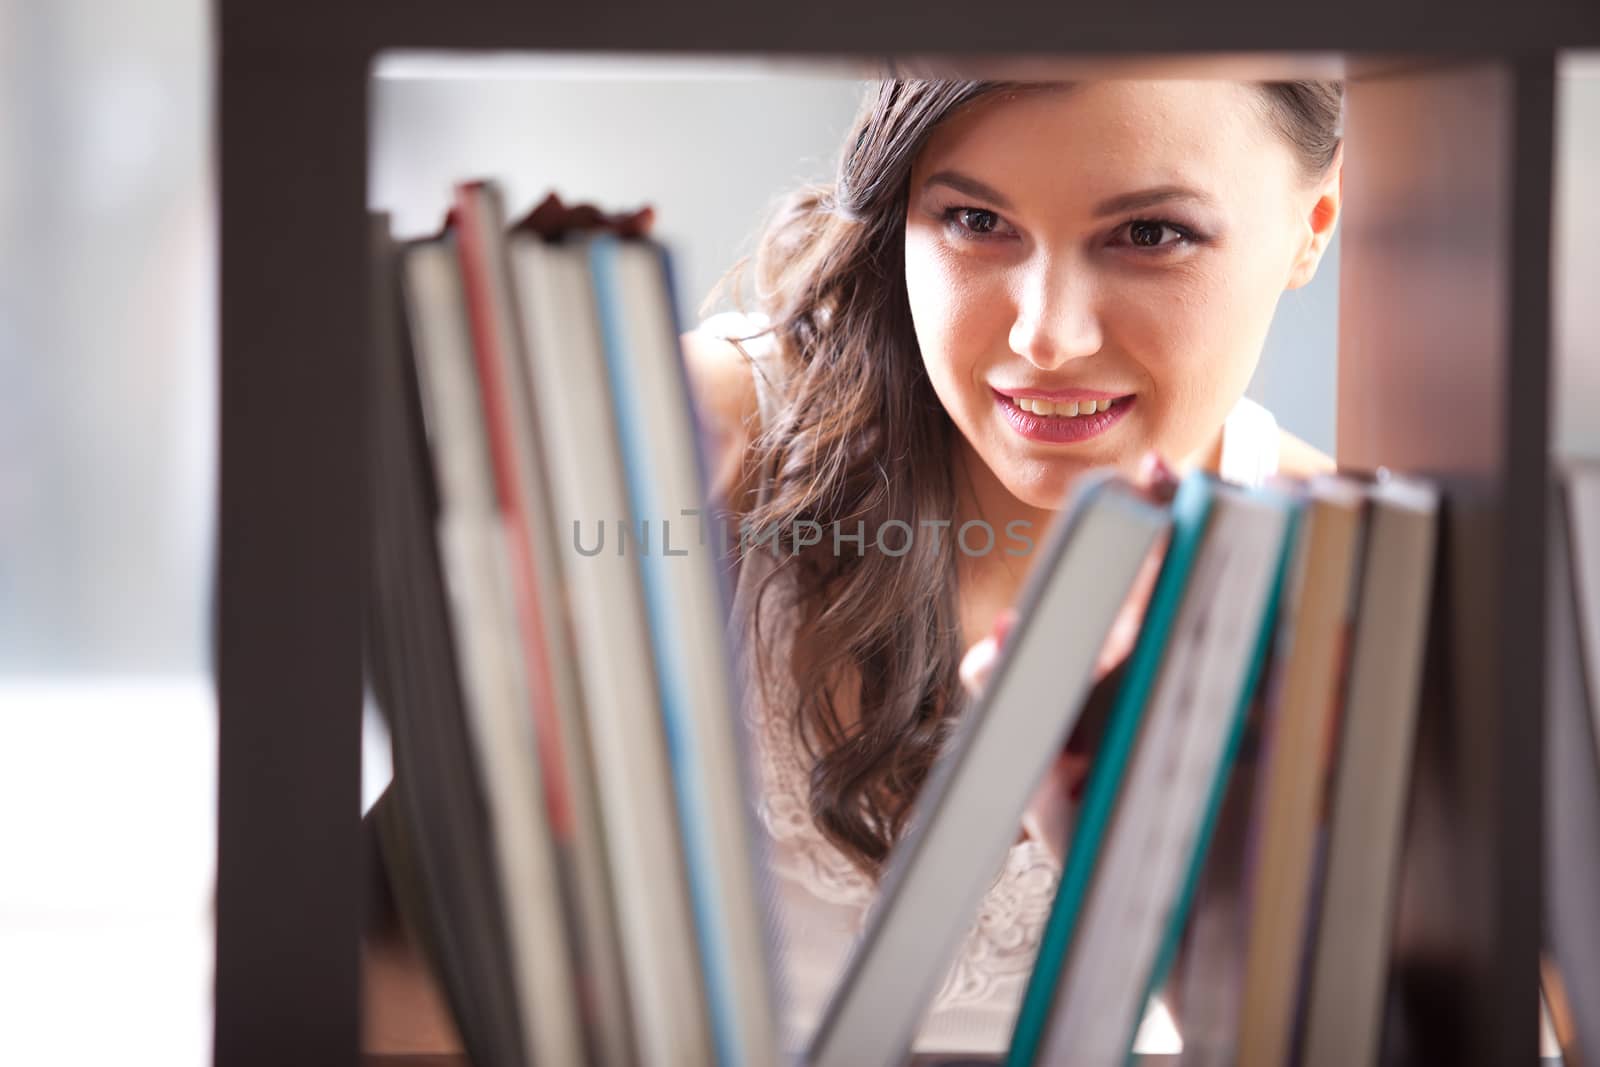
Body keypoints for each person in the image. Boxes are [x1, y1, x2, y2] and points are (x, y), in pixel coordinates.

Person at [678, 78, 1344, 1056]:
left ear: (1311, 224)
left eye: (1150, 233)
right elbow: (412, 937)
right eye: (975, 219)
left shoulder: (1337, 561)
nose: (1045, 336)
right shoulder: (706, 439)